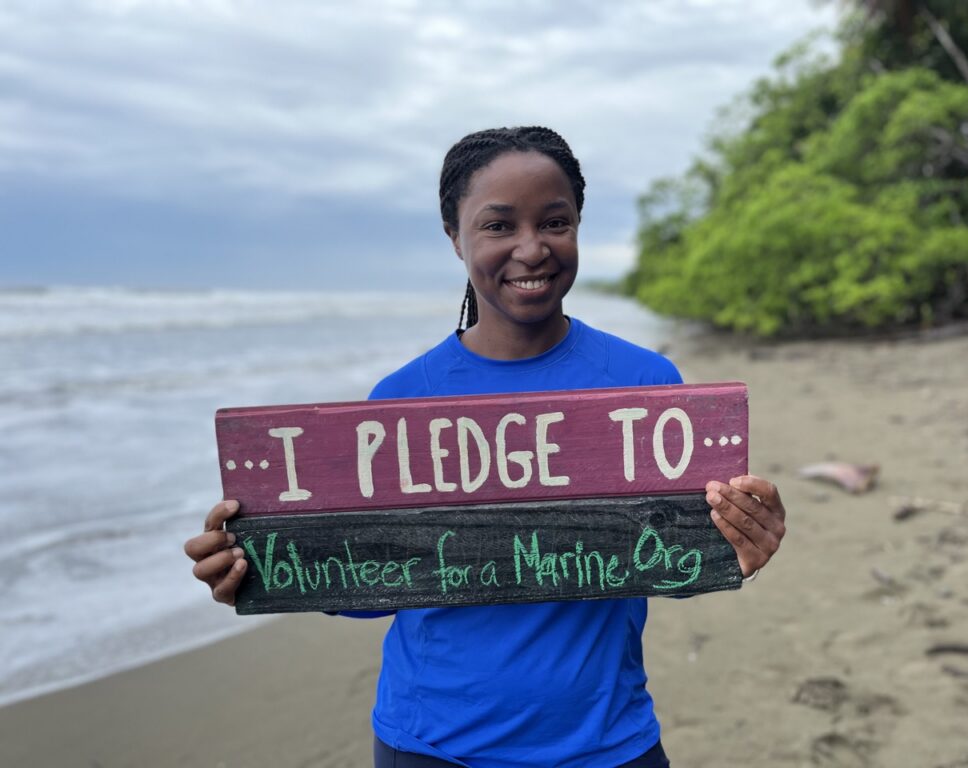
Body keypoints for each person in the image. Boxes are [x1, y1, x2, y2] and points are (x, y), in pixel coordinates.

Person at [185, 126, 787, 768]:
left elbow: (670, 560)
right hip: (430, 746)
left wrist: (742, 539)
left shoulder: (645, 386)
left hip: (606, 742)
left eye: (555, 221)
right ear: (455, 237)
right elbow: (374, 576)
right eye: (499, 226)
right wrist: (264, 567)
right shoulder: (401, 400)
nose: (532, 249)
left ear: (578, 225)